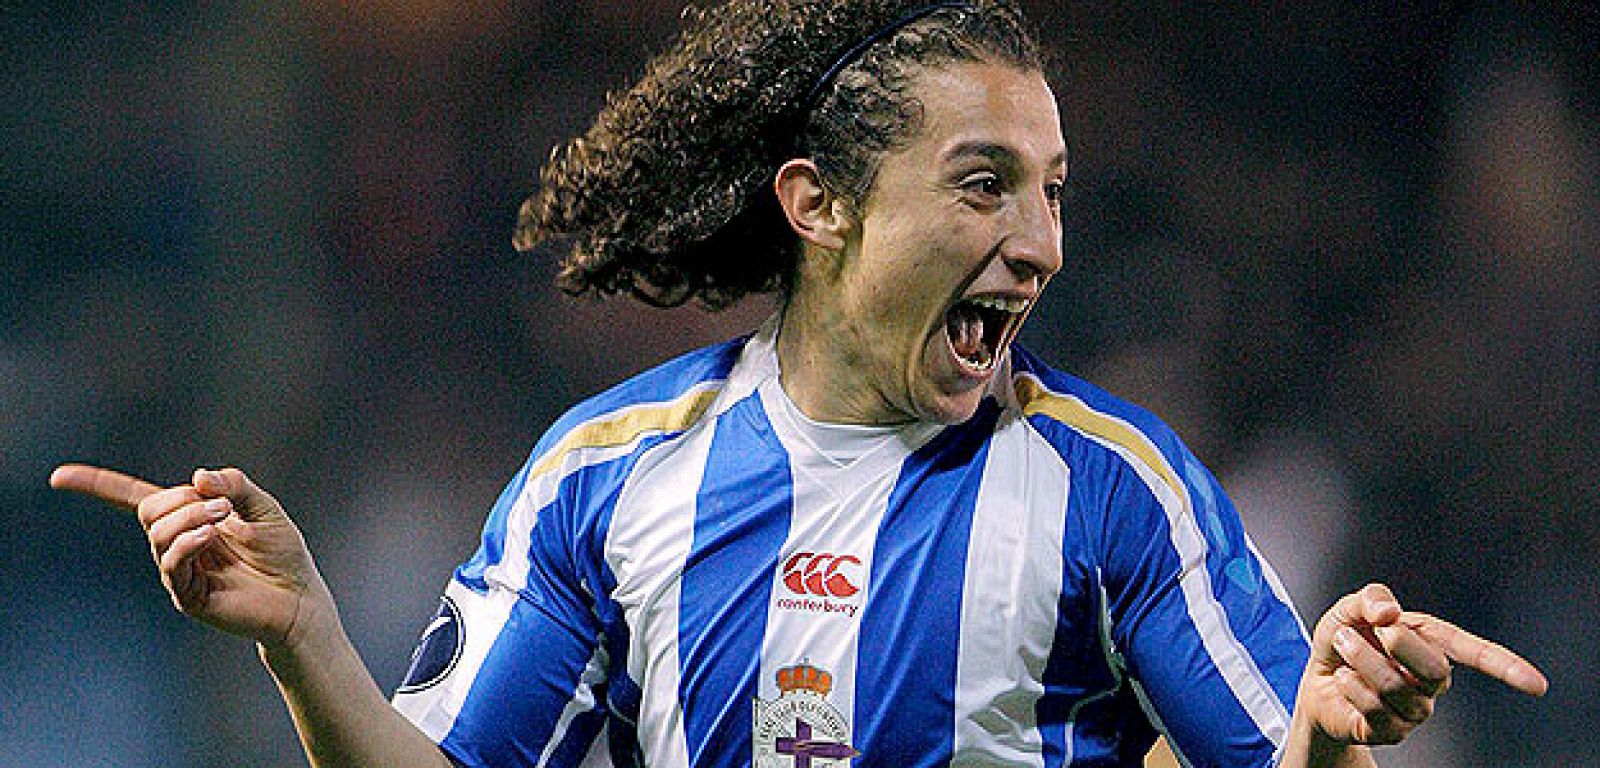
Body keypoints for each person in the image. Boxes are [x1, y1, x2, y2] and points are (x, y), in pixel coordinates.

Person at [50, 1, 1548, 767]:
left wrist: (1337, 731)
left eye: (1054, 193)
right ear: (820, 204)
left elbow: (1277, 757)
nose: (1037, 244)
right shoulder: (608, 476)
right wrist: (306, 632)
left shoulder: (1117, 492)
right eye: (983, 187)